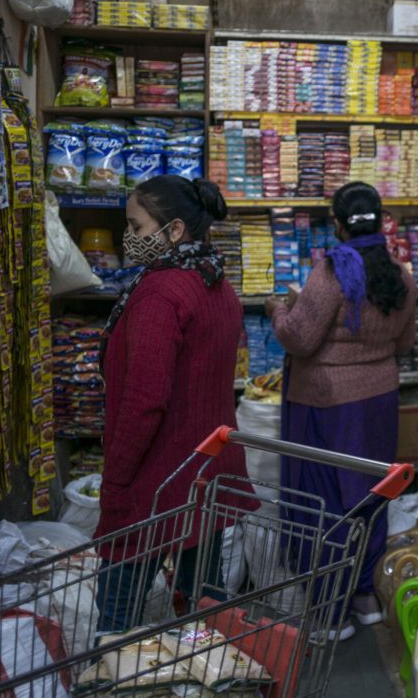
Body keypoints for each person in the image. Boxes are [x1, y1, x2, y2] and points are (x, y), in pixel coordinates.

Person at [95, 175, 258, 634]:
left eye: (137, 226)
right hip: (207, 474)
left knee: (116, 618)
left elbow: (144, 402)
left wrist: (116, 479)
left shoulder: (160, 293)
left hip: (157, 483)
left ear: (176, 230)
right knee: (206, 612)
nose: (128, 237)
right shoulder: (216, 283)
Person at [266, 181, 416, 640]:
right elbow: (405, 342)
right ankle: (366, 598)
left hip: (329, 405)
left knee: (327, 505)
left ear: (337, 224)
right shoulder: (399, 273)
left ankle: (332, 616)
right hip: (380, 400)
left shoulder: (331, 271)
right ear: (380, 219)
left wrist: (278, 311)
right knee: (372, 495)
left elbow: (300, 338)